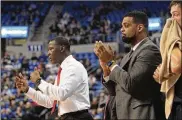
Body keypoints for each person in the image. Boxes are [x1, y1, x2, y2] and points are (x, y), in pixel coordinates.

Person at [94, 11, 165, 120]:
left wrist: (111, 63)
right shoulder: (128, 56)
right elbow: (115, 90)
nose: (121, 29)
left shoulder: (150, 50)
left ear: (140, 28)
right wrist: (106, 69)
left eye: (126, 25)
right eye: (121, 26)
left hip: (141, 115)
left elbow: (132, 84)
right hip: (125, 114)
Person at [15, 36, 93, 120]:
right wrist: (27, 90)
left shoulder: (74, 67)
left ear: (62, 48)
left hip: (78, 117)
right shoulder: (64, 70)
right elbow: (49, 102)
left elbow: (62, 94)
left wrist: (38, 81)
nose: (48, 53)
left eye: (51, 49)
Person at [153, 1, 182, 120]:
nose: (172, 20)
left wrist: (164, 72)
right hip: (174, 101)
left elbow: (176, 66)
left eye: (176, 14)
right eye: (171, 15)